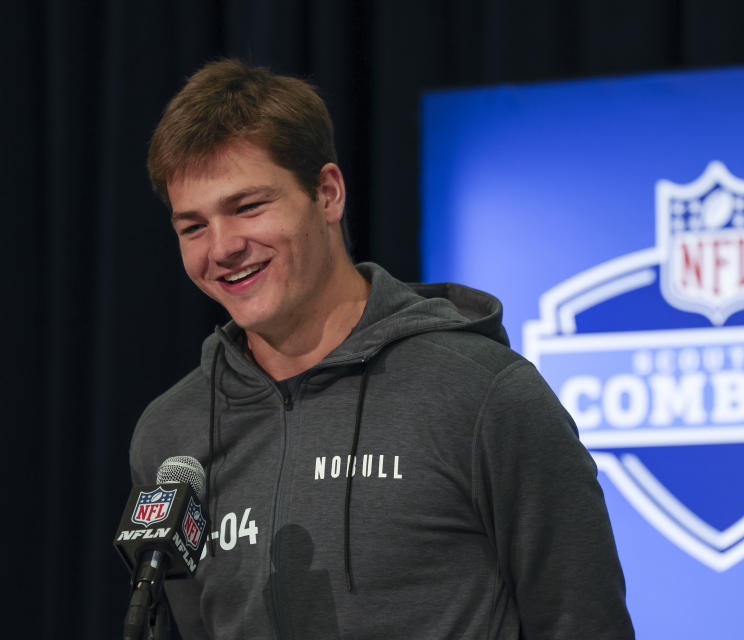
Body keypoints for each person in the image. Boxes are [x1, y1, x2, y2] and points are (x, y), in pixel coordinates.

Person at [131, 58, 634, 639]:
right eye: (193, 226)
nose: (221, 248)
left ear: (327, 194)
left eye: (248, 207)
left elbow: (583, 623)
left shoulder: (484, 395)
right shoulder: (173, 435)